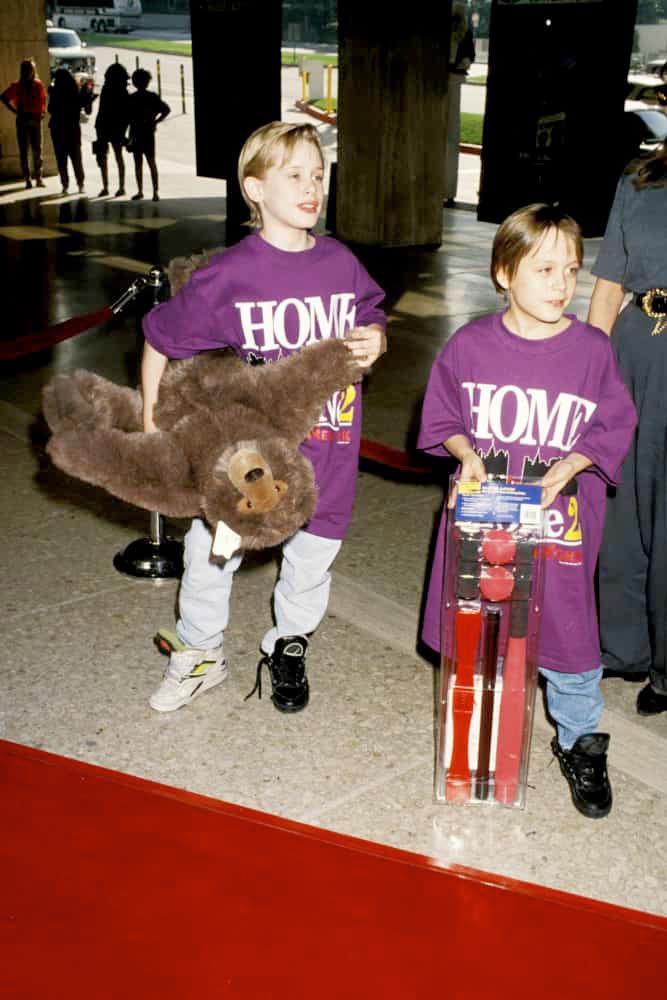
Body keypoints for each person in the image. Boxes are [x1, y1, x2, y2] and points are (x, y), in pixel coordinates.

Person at [141, 121, 386, 715]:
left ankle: (288, 645)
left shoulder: (340, 262)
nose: (312, 188)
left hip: (332, 451)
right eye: (294, 175)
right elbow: (161, 338)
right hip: (253, 459)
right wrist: (152, 422)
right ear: (254, 188)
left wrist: (376, 337)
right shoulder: (228, 276)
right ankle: (201, 654)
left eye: (319, 175)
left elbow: (371, 313)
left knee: (311, 562)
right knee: (211, 553)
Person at [418, 204, 636, 819]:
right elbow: (445, 418)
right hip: (486, 527)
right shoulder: (470, 345)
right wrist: (464, 455)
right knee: (481, 629)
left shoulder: (592, 350)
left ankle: (580, 740)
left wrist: (572, 464)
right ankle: (479, 740)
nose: (562, 284)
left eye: (571, 269)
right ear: (504, 273)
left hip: (558, 533)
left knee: (570, 641)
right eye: (544, 269)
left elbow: (615, 421)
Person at [588, 142, 667, 718]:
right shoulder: (640, 179)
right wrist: (588, 371)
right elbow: (610, 286)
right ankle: (624, 645)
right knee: (623, 506)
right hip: (635, 347)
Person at [444, 2, 475, 207]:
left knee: (450, 138)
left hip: (453, 82)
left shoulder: (465, 33)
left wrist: (462, 63)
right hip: (439, 83)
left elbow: (469, 56)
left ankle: (448, 189)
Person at [1, 58, 47, 189]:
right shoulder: (18, 85)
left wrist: (42, 112)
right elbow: (3, 97)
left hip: (34, 119)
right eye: (28, 70)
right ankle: (28, 178)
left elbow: (43, 100)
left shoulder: (37, 84)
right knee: (26, 151)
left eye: (31, 69)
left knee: (36, 150)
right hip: (24, 120)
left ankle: (37, 178)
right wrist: (15, 111)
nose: (30, 72)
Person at [126, 68, 170, 202]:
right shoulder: (152, 96)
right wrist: (155, 121)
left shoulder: (131, 98)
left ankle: (140, 191)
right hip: (148, 132)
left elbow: (126, 118)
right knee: (151, 162)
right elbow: (166, 110)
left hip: (135, 133)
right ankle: (155, 191)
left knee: (137, 163)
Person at [47, 68, 89, 196]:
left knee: (61, 159)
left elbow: (50, 109)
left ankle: (65, 185)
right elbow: (82, 107)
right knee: (76, 158)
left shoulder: (55, 92)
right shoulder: (74, 91)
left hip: (58, 128)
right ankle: (80, 184)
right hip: (72, 128)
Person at [94, 62, 130, 198]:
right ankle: (121, 187)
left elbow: (102, 110)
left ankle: (105, 187)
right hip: (117, 127)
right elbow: (126, 115)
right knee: (118, 156)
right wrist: (123, 133)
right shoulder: (123, 92)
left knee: (103, 156)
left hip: (103, 126)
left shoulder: (106, 89)